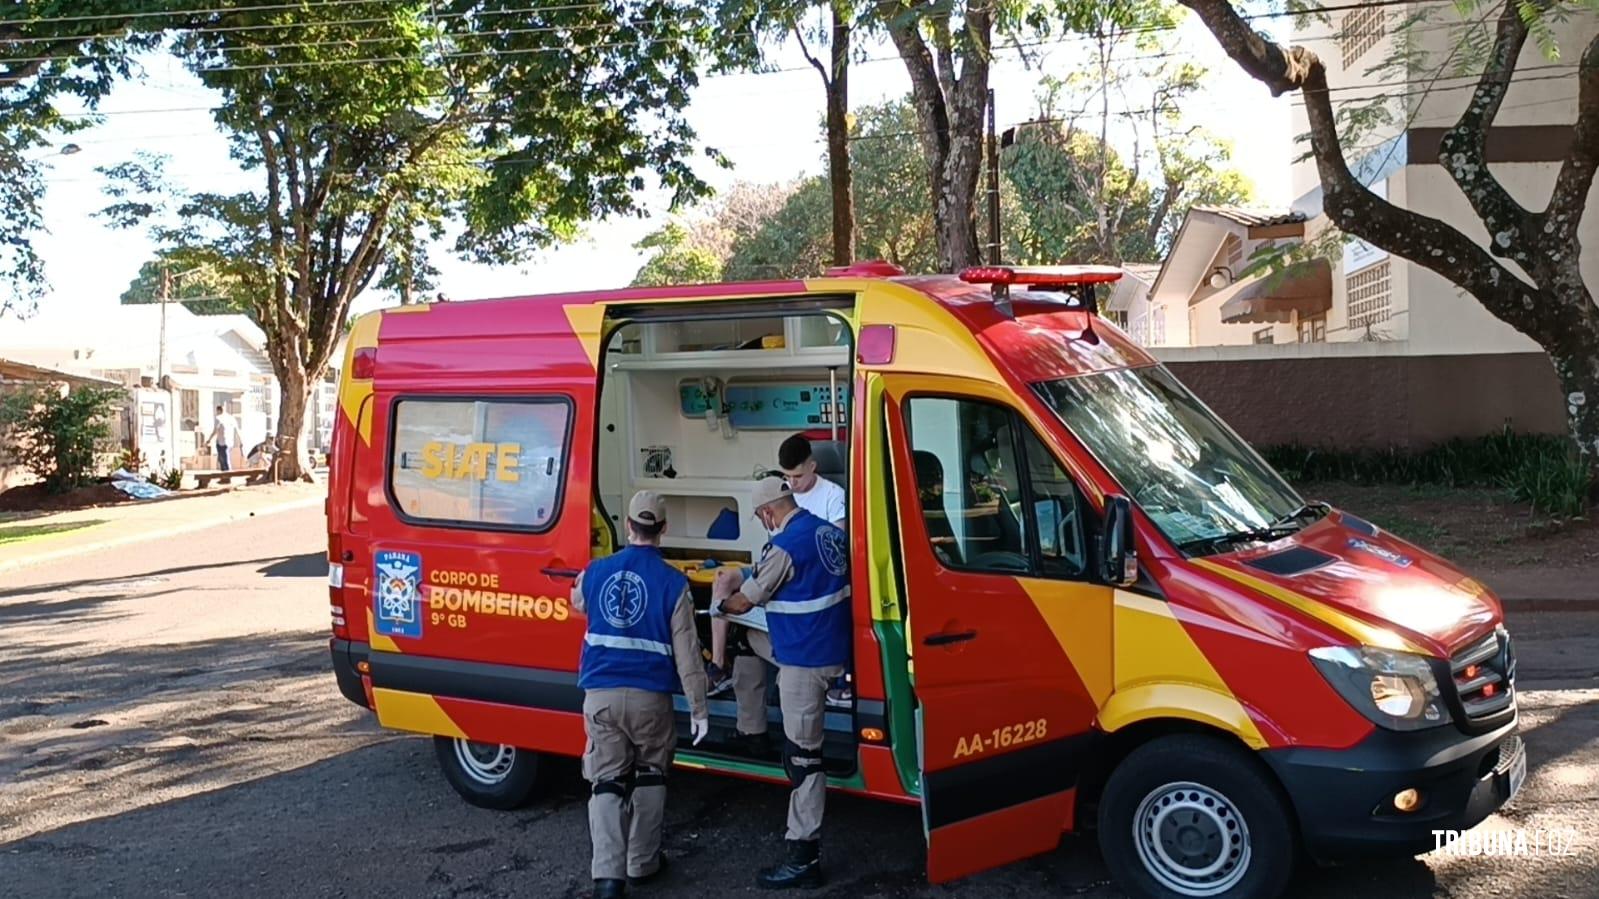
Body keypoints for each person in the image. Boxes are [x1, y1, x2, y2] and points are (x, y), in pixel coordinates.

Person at [572, 491, 711, 899]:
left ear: (628, 525)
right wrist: (699, 709)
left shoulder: (597, 571)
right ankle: (643, 864)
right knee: (651, 775)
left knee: (607, 782)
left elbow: (577, 602)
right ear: (663, 529)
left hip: (601, 695)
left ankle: (608, 879)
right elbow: (687, 652)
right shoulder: (673, 582)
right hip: (651, 699)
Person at [713, 477, 850, 889]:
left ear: (769, 512)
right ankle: (749, 728)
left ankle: (803, 858)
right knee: (750, 642)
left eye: (760, 516)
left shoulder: (784, 547)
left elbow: (746, 599)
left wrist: (719, 609)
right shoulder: (829, 531)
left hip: (804, 663)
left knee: (803, 759)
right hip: (833, 650)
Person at [704, 434, 847, 699]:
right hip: (778, 566)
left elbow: (832, 555)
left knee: (746, 629)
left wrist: (725, 608)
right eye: (787, 477)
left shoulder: (833, 496)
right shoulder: (783, 495)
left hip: (804, 577)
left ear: (812, 467)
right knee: (724, 579)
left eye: (798, 477)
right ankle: (719, 665)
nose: (792, 483)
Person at [211, 405, 237, 472]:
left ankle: (226, 475)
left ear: (219, 410)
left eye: (217, 411)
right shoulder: (231, 417)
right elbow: (235, 429)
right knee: (225, 458)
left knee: (223, 460)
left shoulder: (218, 418)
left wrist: (209, 439)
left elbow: (215, 430)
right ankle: (226, 475)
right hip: (229, 442)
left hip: (222, 442)